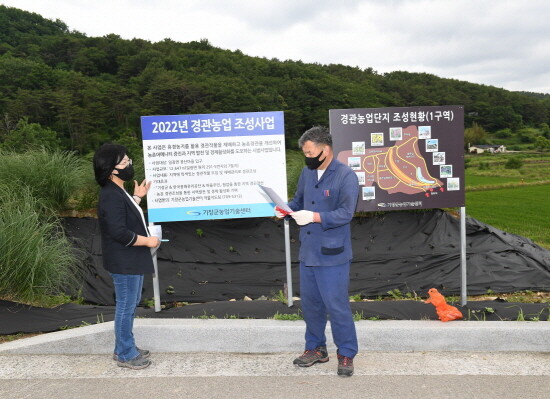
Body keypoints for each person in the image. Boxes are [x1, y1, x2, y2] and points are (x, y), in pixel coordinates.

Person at [275, 126, 359, 377]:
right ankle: (315, 348)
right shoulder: (307, 173)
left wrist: (313, 216)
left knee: (337, 305)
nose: (307, 157)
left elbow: (346, 213)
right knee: (311, 305)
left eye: (311, 152)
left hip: (332, 254)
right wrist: (285, 209)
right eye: (305, 153)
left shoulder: (346, 176)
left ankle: (346, 353)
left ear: (326, 149)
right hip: (308, 252)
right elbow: (298, 200)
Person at [93, 143, 160, 370]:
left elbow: (124, 216)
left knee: (130, 305)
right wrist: (148, 241)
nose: (129, 165)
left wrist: (137, 197)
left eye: (128, 160)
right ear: (111, 169)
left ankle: (125, 346)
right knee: (126, 306)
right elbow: (119, 232)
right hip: (124, 260)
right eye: (123, 162)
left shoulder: (118, 190)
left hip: (129, 258)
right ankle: (125, 353)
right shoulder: (110, 194)